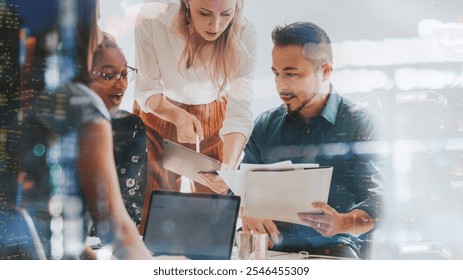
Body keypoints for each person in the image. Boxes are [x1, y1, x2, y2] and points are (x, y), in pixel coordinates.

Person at [18, 0, 153, 259]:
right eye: (95, 19)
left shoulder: (25, 92)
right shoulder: (81, 104)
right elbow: (118, 231)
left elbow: (39, 222)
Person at [239, 22, 384, 259]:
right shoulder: (264, 125)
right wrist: (246, 209)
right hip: (269, 250)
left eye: (292, 74)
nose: (281, 86)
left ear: (325, 71)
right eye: (276, 74)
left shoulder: (360, 125)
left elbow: (379, 203)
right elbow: (242, 187)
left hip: (332, 250)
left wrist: (341, 223)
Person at [133, 0, 257, 233]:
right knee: (150, 217)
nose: (216, 24)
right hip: (159, 111)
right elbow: (145, 90)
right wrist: (176, 115)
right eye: (204, 13)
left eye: (226, 14)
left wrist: (229, 168)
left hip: (217, 117)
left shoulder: (246, 34)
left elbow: (240, 113)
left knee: (214, 222)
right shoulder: (153, 14)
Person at [88, 32, 146, 228]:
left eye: (124, 74)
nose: (121, 85)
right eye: (109, 75)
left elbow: (131, 209)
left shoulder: (131, 127)